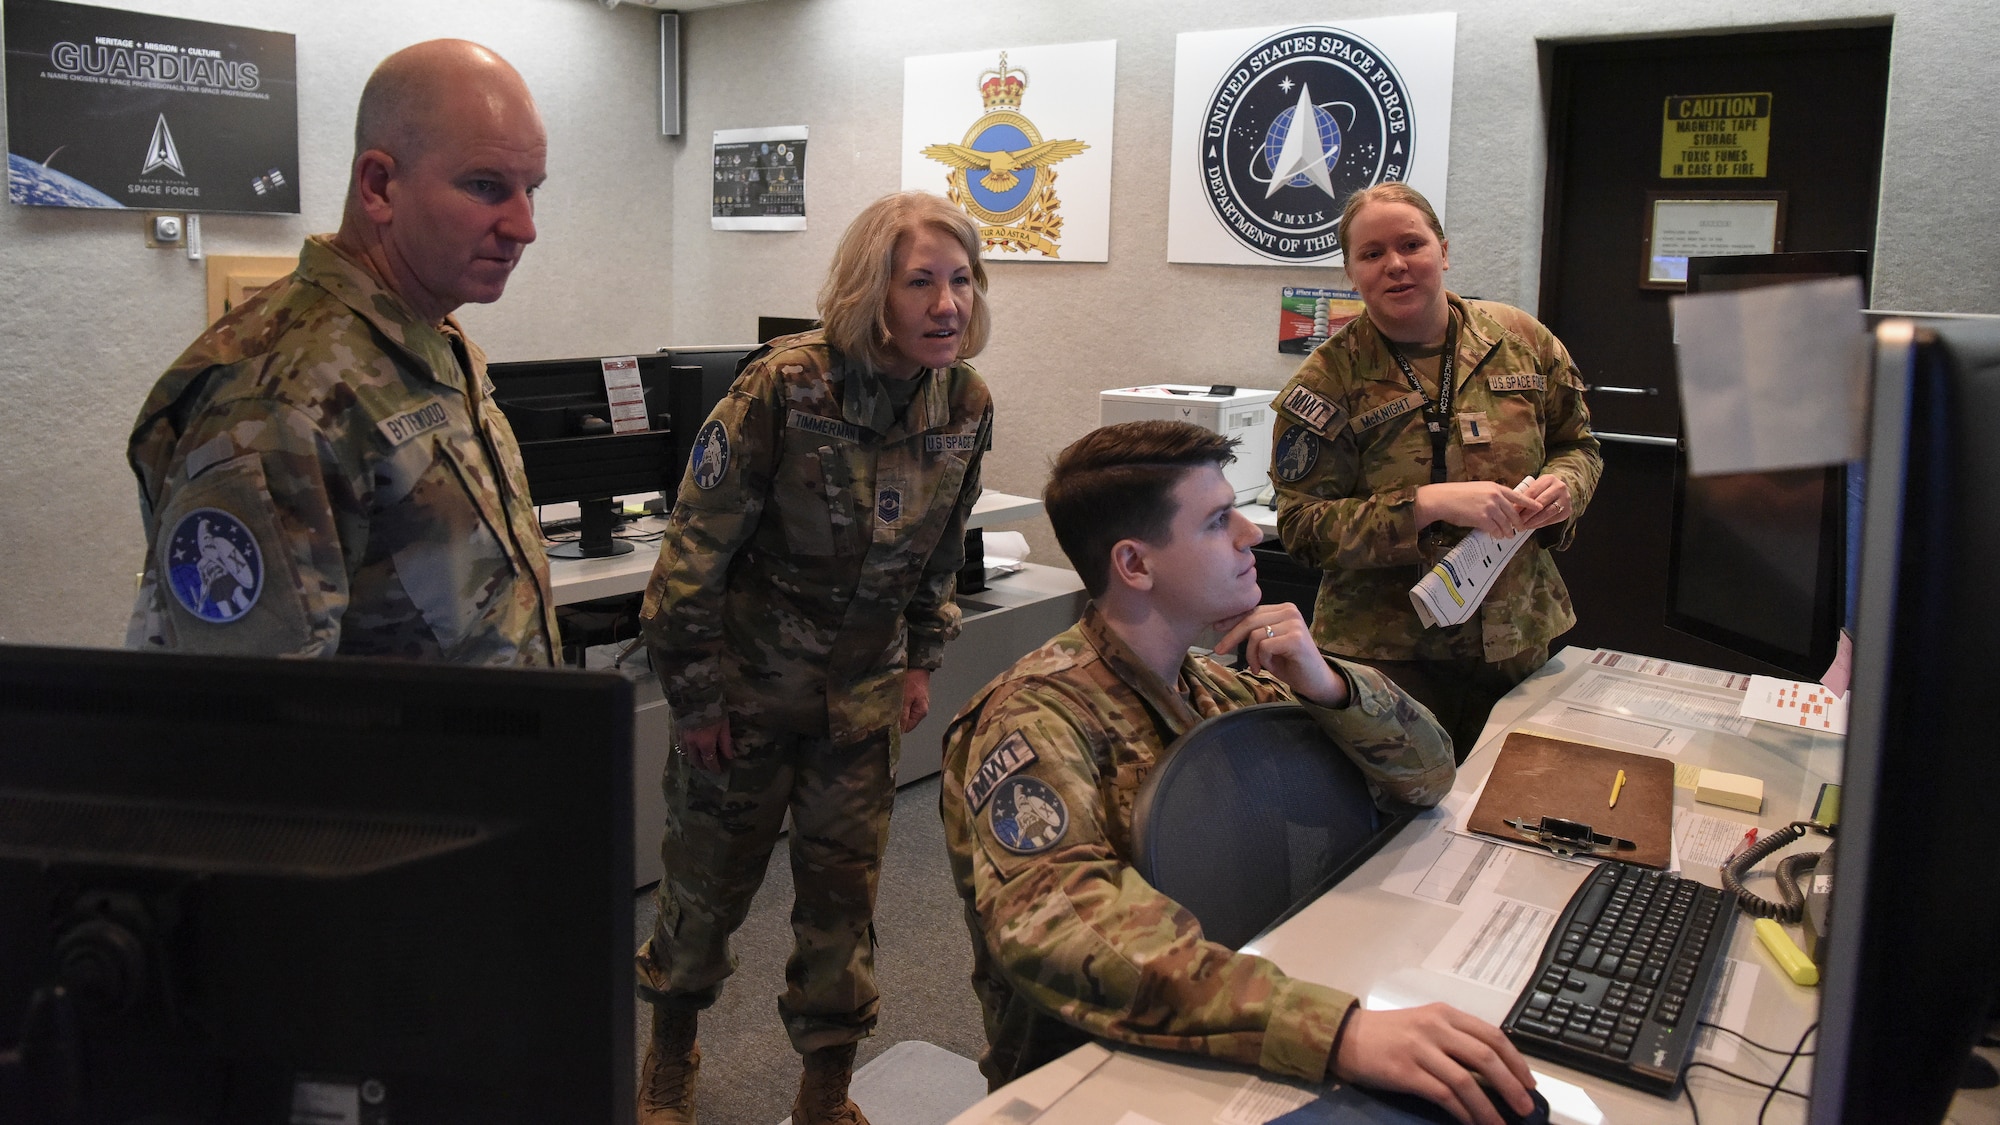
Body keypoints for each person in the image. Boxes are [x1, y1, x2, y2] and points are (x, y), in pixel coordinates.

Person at [938, 421, 1538, 1125]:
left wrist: (1330, 686)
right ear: (1134, 564)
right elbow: (1069, 931)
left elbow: (1430, 773)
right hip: (1095, 1075)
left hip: (1226, 1037)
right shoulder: (1034, 719)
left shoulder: (1217, 684)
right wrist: (1333, 1031)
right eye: (1219, 520)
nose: (1252, 535)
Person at [634, 191, 994, 1125]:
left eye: (961, 280)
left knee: (843, 910)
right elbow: (691, 559)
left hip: (860, 708)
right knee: (704, 894)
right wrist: (696, 700)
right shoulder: (784, 387)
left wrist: (922, 656)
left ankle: (825, 1094)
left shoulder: (965, 402)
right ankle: (670, 1055)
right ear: (872, 289)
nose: (947, 304)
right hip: (744, 702)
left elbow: (943, 549)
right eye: (921, 282)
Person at [125, 40, 557, 664]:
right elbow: (249, 707)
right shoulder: (279, 400)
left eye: (530, 190)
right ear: (379, 186)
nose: (524, 227)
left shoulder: (427, 342)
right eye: (485, 186)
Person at [1270, 184, 1601, 760]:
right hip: (1388, 659)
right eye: (1372, 254)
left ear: (1443, 252)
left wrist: (1567, 487)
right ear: (1350, 272)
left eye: (1411, 245)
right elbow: (1301, 527)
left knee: (1515, 798)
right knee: (1404, 808)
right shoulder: (1327, 382)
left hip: (1517, 636)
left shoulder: (1522, 340)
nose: (1395, 265)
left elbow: (1578, 445)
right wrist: (1425, 505)